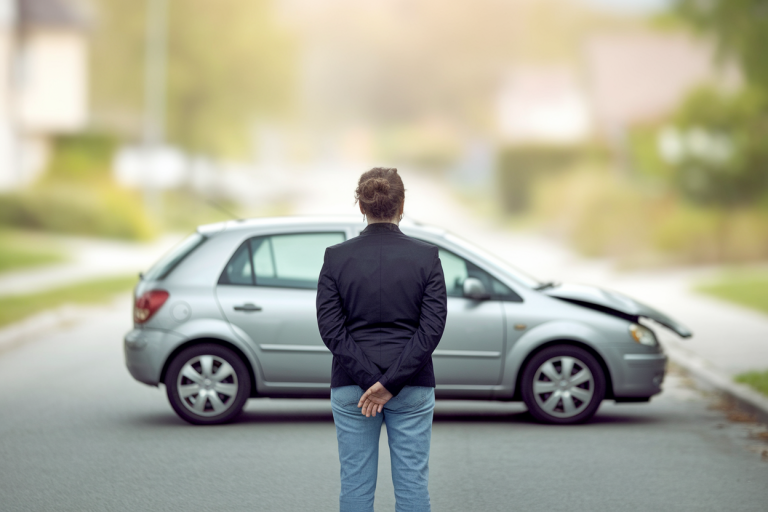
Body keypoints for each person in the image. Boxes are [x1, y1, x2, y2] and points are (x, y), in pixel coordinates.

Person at [316, 167, 448, 512]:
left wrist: (369, 382)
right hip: (412, 386)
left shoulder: (335, 257)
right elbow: (431, 329)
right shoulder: (427, 257)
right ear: (401, 205)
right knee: (412, 486)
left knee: (356, 486)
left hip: (353, 388)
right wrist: (391, 383)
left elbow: (331, 328)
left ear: (361, 206)